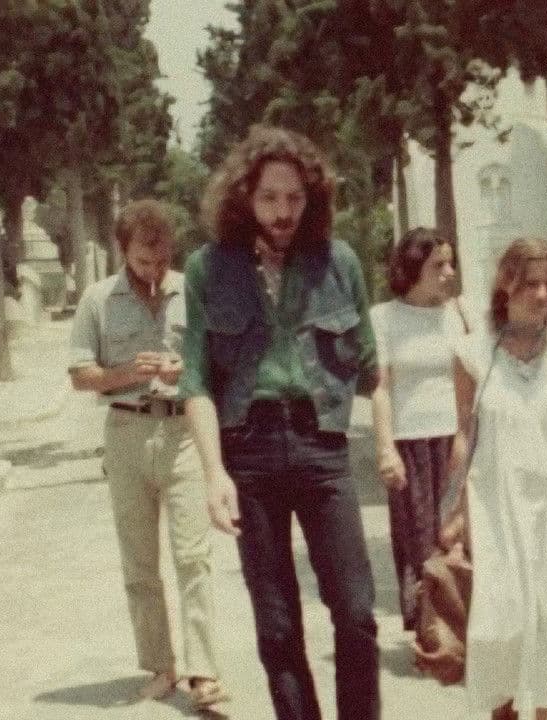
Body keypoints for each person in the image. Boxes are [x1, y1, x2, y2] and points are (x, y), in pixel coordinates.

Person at [178, 125, 380, 720]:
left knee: (356, 613)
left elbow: (372, 368)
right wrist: (214, 474)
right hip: (249, 451)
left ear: (312, 198)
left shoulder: (339, 263)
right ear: (244, 197)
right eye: (269, 197)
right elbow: (196, 381)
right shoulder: (207, 269)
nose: (283, 211)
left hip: (322, 447)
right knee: (276, 625)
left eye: (295, 197)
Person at [446, 236, 547, 720]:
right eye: (529, 284)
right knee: (501, 624)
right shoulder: (473, 353)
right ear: (506, 284)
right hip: (496, 504)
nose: (542, 295)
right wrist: (452, 509)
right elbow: (464, 433)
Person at [66, 199, 226, 709]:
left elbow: (219, 362)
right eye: (142, 261)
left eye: (161, 260)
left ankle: (204, 672)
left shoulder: (193, 291)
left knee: (193, 556)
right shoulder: (97, 299)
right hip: (127, 431)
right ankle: (160, 665)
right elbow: (80, 375)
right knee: (139, 561)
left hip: (183, 432)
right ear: (123, 251)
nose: (153, 271)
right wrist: (126, 373)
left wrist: (185, 368)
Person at [369, 227, 472, 632]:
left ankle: (464, 629)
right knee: (418, 539)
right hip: (410, 444)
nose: (449, 273)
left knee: (460, 533)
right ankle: (430, 632)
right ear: (412, 269)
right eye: (438, 265)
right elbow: (380, 388)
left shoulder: (460, 314)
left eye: (451, 263)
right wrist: (385, 448)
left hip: (457, 440)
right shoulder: (384, 318)